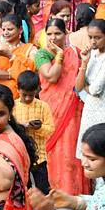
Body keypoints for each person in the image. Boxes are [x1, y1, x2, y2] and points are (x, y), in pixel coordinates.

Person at [36, 17, 88, 195]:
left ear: (66, 34)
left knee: (72, 146)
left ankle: (74, 193)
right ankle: (54, 192)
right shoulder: (42, 54)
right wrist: (59, 54)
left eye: (57, 33)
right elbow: (51, 76)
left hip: (72, 109)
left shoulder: (75, 53)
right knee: (53, 149)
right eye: (49, 34)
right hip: (51, 109)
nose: (53, 37)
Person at [14, 70, 54, 191]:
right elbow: (8, 128)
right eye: (24, 94)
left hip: (39, 156)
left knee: (43, 188)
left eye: (31, 95)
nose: (27, 98)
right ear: (17, 89)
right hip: (19, 155)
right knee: (24, 188)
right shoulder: (12, 106)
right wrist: (20, 127)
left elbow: (50, 129)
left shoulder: (43, 106)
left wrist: (39, 127)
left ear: (37, 90)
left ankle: (47, 209)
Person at [0, 13, 38, 98]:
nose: (6, 33)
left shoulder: (31, 49)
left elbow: (28, 76)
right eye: (3, 30)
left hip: (21, 100)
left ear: (20, 30)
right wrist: (12, 74)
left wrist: (11, 56)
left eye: (10, 29)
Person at [76, 20, 105, 145]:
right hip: (90, 110)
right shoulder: (92, 55)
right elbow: (78, 86)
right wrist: (84, 62)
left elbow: (95, 89)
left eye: (97, 38)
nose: (93, 41)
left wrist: (87, 88)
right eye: (90, 37)